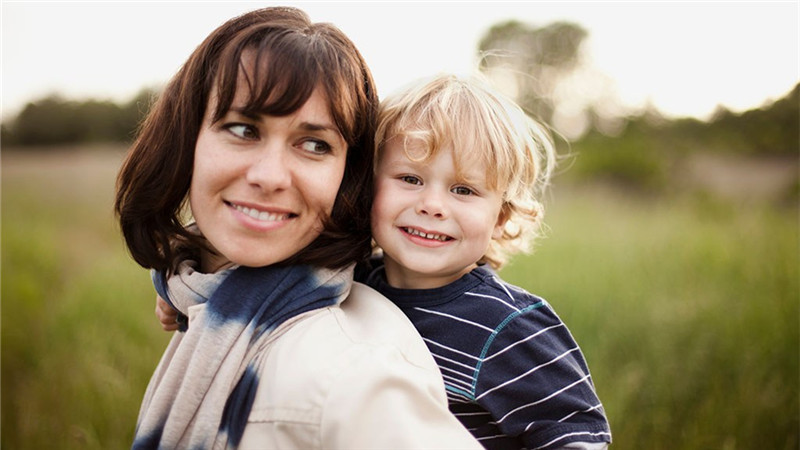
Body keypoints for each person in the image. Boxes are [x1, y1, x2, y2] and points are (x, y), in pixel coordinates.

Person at [117, 7, 481, 449]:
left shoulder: (355, 377)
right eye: (243, 128)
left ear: (349, 178)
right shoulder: (205, 299)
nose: (270, 176)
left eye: (314, 144)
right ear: (187, 139)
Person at [361, 74, 612, 449]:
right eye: (410, 178)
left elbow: (572, 434)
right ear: (369, 185)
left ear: (501, 217)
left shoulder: (509, 327)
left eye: (463, 190)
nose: (432, 205)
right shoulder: (350, 283)